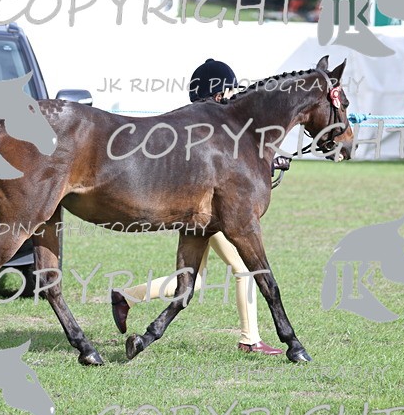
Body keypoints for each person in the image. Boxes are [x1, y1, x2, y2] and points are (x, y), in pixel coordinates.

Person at [111, 59, 291, 355]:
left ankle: (126, 296)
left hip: (198, 211)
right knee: (244, 267)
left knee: (192, 281)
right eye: (228, 89)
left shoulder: (196, 122)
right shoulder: (211, 126)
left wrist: (268, 162)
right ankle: (250, 339)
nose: (233, 94)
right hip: (213, 213)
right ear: (217, 92)